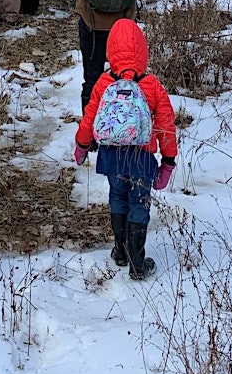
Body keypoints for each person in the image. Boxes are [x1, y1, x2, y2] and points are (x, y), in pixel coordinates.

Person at [74, 19, 177, 280]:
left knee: (117, 196)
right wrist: (168, 161)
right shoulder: (152, 85)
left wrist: (82, 145)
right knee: (139, 202)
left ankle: (119, 251)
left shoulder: (104, 82)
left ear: (111, 50)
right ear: (143, 50)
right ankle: (137, 263)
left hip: (112, 156)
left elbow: (90, 118)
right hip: (141, 158)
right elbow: (165, 125)